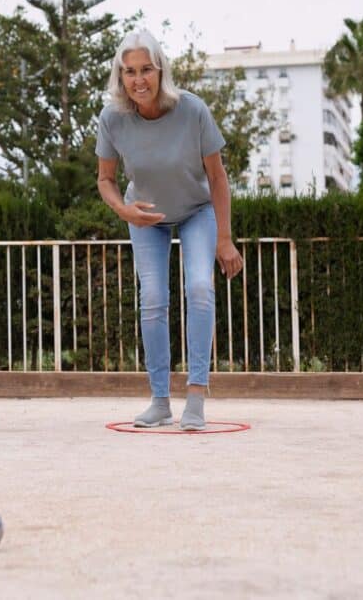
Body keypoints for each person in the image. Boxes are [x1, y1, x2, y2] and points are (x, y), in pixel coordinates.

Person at [95, 29, 243, 431]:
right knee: (154, 298)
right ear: (119, 76)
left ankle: (195, 396)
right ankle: (160, 400)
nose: (138, 79)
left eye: (146, 69)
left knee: (199, 287)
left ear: (161, 70)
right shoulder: (112, 118)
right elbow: (105, 179)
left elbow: (217, 178)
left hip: (196, 210)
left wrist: (224, 239)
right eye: (129, 72)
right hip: (146, 217)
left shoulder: (192, 110)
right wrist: (125, 210)